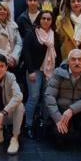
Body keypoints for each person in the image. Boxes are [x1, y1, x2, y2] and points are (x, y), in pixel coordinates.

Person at [44, 49, 81, 150]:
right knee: (60, 138)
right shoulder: (58, 73)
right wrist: (57, 118)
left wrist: (72, 110)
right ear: (68, 62)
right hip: (61, 111)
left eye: (80, 59)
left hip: (78, 111)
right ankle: (60, 134)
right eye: (73, 59)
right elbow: (49, 96)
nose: (77, 62)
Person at [22, 10, 59, 139]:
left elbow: (58, 54)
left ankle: (44, 123)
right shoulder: (32, 33)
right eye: (43, 18)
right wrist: (30, 71)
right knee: (34, 97)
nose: (46, 21)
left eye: (49, 19)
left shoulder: (55, 35)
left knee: (47, 97)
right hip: (35, 70)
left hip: (50, 71)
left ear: (52, 21)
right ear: (39, 19)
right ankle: (28, 125)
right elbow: (26, 52)